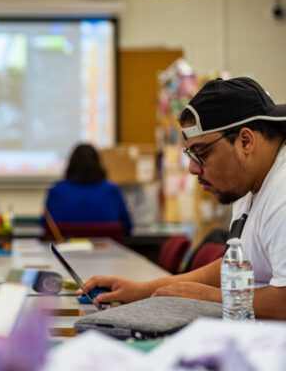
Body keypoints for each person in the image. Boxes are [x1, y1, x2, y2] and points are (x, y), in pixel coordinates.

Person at [83, 77, 286, 320]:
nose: (191, 168)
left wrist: (208, 297)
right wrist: (143, 290)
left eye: (201, 153)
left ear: (245, 141)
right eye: (190, 154)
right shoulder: (250, 183)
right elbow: (236, 265)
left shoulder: (281, 192)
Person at [43, 143, 133, 235]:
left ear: (71, 164)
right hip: (107, 249)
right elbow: (127, 227)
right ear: (98, 164)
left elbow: (44, 226)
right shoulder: (111, 190)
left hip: (64, 249)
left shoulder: (56, 191)